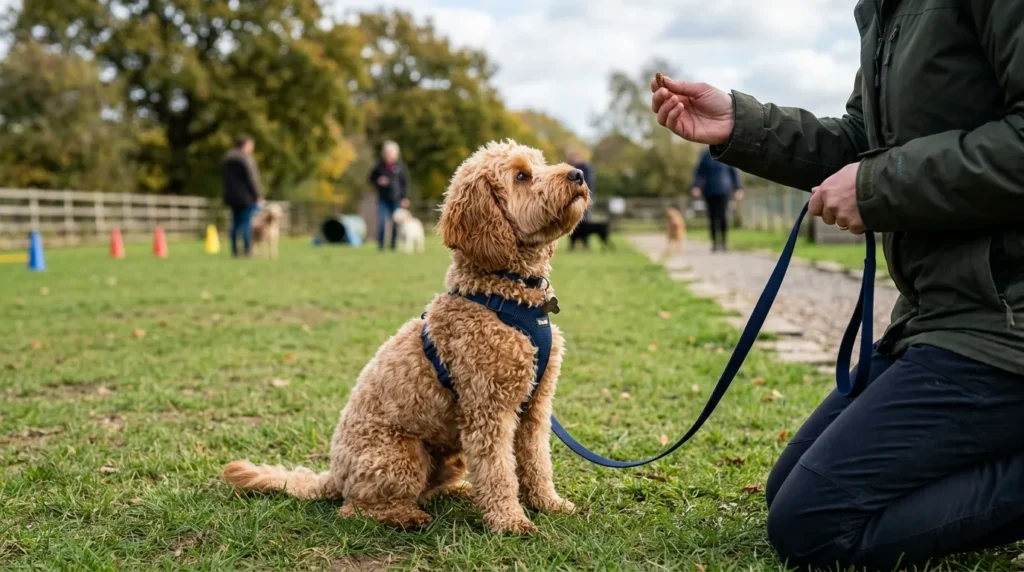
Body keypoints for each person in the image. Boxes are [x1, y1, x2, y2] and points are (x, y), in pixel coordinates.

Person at [652, 0, 1024, 569]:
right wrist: (741, 124)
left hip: (1003, 322)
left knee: (816, 525)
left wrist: (879, 186)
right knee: (788, 494)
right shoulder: (882, 9)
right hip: (937, 314)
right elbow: (862, 141)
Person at [691, 146, 743, 252]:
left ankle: (724, 242)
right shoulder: (706, 155)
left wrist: (738, 188)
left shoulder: (726, 152)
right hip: (709, 190)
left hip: (724, 190)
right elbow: (699, 172)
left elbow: (733, 172)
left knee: (723, 216)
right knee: (712, 217)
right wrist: (696, 186)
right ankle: (714, 243)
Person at [222, 135, 262, 258]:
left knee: (235, 224)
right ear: (245, 145)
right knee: (246, 224)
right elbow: (252, 179)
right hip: (246, 197)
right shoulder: (246, 159)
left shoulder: (227, 159)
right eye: (251, 145)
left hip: (231, 196)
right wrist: (258, 195)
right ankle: (247, 251)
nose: (252, 148)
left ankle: (234, 251)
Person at [368, 140, 410, 251]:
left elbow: (405, 183)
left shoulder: (400, 167)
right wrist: (378, 181)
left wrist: (404, 197)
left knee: (396, 223)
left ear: (396, 154)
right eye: (387, 152)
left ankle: (393, 245)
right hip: (383, 198)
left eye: (390, 152)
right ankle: (380, 245)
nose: (388, 155)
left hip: (397, 199)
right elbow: (370, 178)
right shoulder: (379, 166)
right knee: (381, 221)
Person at [568, 148, 596, 219]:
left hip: (584, 193)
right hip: (574, 194)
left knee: (585, 214)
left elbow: (589, 182)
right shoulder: (572, 167)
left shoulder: (586, 167)